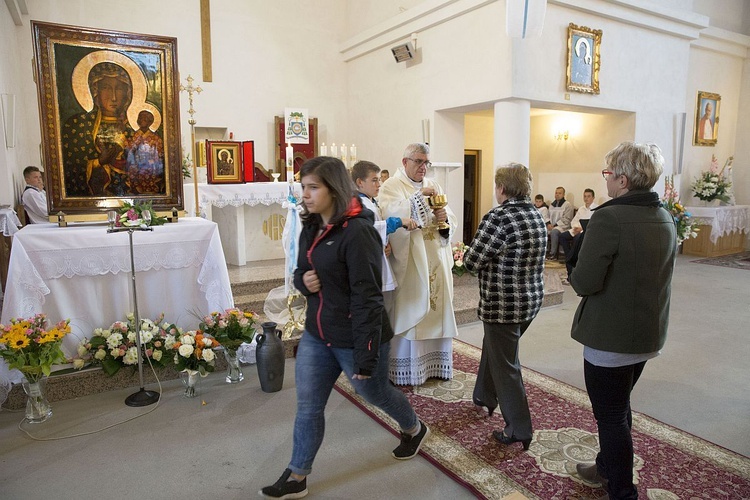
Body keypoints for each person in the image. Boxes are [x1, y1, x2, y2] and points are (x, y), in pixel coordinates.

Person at [260, 156, 429, 499]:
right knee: (308, 406)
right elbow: (299, 269)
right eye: (303, 187)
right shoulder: (311, 225)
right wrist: (304, 281)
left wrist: (366, 357)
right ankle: (297, 475)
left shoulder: (359, 231)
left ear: (332, 188)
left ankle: (413, 427)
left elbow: (368, 297)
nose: (304, 195)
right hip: (317, 335)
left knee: (376, 393)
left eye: (313, 188)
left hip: (356, 338)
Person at [570, 141, 677, 500]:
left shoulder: (609, 217)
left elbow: (585, 282)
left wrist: (575, 262)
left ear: (624, 179)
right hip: (646, 333)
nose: (606, 181)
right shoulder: (663, 215)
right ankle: (605, 467)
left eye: (608, 174)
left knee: (611, 416)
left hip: (610, 339)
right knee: (619, 406)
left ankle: (622, 490)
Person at [463, 163, 546, 451]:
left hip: (503, 306)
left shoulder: (499, 217)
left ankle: (519, 428)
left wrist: (466, 254)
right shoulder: (536, 214)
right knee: (496, 350)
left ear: (501, 188)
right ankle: (485, 396)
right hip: (530, 302)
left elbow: (472, 262)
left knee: (506, 365)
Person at [378, 143, 459, 386]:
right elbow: (388, 215)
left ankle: (435, 366)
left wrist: (445, 220)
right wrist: (417, 201)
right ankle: (410, 369)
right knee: (414, 306)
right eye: (418, 162)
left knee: (438, 308)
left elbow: (448, 216)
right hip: (412, 258)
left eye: (426, 163)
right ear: (405, 162)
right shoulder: (392, 185)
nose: (423, 167)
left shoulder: (433, 185)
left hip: (436, 254)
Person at [61, 62, 134, 196]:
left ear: (127, 93)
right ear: (95, 91)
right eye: (106, 88)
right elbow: (71, 169)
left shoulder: (132, 129)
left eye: (118, 89)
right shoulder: (78, 125)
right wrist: (98, 162)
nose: (113, 97)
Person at [351, 160, 418, 292]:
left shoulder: (371, 201)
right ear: (360, 182)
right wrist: (397, 222)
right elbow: (366, 230)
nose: (379, 184)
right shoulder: (356, 204)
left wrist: (386, 243)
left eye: (379, 180)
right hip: (366, 265)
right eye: (374, 180)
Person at [559, 188, 598, 285]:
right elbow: (574, 221)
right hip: (576, 230)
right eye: (585, 196)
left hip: (586, 232)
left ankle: (571, 259)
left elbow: (593, 224)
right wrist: (576, 227)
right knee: (562, 236)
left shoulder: (596, 209)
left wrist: (581, 228)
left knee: (577, 239)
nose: (586, 198)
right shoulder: (581, 208)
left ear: (593, 197)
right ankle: (569, 256)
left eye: (588, 196)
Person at [127, 110, 165, 194]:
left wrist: (152, 160)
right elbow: (129, 152)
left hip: (150, 165)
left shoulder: (156, 138)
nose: (143, 121)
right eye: (141, 118)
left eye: (146, 119)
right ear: (137, 120)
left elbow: (159, 154)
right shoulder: (134, 136)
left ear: (150, 122)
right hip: (136, 164)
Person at [546, 186, 574, 260]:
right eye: (556, 193)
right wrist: (548, 224)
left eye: (559, 193)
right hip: (551, 226)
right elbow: (547, 216)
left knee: (554, 231)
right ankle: (543, 252)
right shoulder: (552, 205)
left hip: (563, 226)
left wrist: (554, 225)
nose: (557, 194)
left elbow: (567, 219)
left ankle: (553, 254)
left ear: (563, 194)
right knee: (542, 230)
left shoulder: (567, 205)